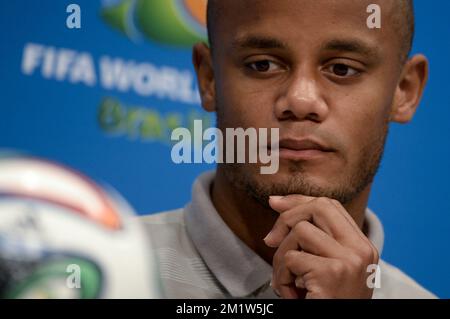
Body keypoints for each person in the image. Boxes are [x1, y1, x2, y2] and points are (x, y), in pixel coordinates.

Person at [141, 0, 435, 298]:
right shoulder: (103, 274)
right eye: (262, 65)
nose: (300, 101)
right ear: (209, 79)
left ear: (405, 90)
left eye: (342, 69)